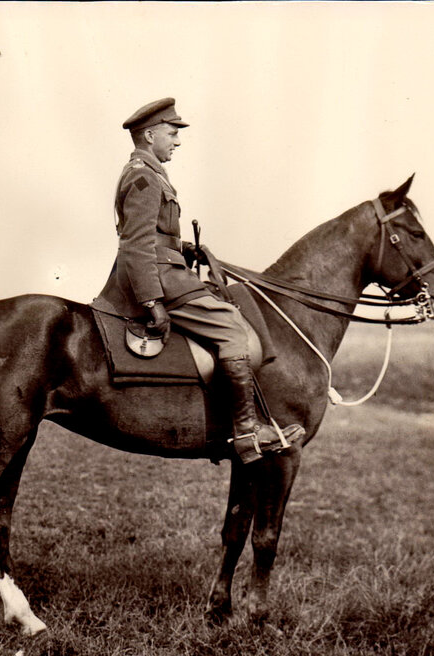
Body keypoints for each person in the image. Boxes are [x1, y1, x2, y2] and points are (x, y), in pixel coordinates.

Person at [93, 97, 304, 464]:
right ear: (149, 135)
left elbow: (155, 237)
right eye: (172, 133)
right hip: (159, 279)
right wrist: (151, 301)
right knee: (232, 330)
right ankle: (246, 432)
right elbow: (137, 243)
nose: (177, 141)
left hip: (165, 269)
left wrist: (184, 249)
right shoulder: (143, 176)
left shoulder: (150, 173)